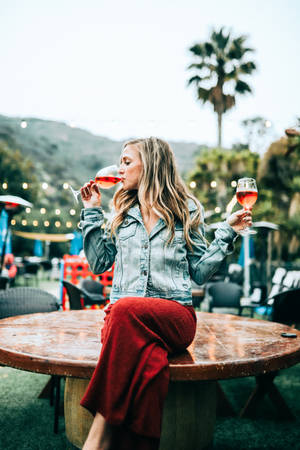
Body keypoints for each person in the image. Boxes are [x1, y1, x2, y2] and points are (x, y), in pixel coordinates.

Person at [79, 137, 252, 450]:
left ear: (151, 164)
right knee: (148, 363)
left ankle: (97, 438)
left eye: (127, 161)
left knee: (122, 310)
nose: (120, 168)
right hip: (125, 323)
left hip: (174, 317)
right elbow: (98, 263)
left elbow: (199, 271)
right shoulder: (119, 212)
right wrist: (92, 212)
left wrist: (227, 232)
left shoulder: (185, 211)